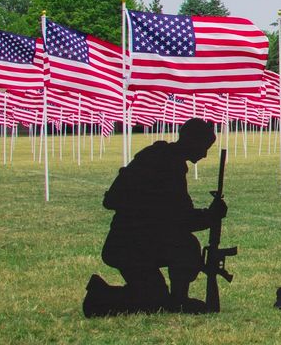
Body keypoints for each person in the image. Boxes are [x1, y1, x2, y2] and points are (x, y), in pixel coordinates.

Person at [83, 118, 225, 316]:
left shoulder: (164, 159)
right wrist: (210, 216)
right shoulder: (166, 165)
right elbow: (179, 219)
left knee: (156, 296)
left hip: (141, 243)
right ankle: (101, 297)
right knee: (159, 294)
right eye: (203, 147)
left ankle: (173, 299)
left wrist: (207, 216)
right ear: (192, 141)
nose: (204, 154)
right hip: (130, 245)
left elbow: (176, 216)